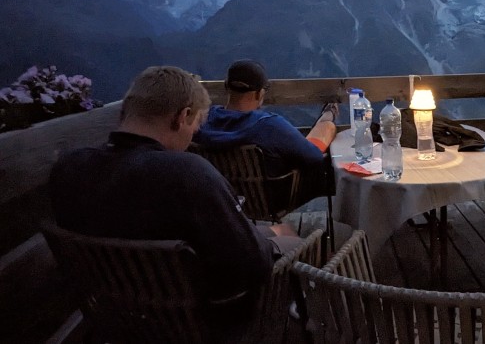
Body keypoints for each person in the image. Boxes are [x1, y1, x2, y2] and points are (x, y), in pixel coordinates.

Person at [47, 66, 301, 335]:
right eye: (195, 124)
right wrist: (271, 239)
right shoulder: (187, 174)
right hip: (205, 324)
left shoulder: (68, 169)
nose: (192, 136)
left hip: (120, 318)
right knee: (291, 239)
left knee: (273, 232)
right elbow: (253, 264)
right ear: (183, 117)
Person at [192, 59, 338, 207]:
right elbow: (313, 156)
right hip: (271, 201)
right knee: (325, 151)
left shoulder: (200, 122)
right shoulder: (268, 125)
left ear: (226, 86)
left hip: (223, 199)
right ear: (259, 93)